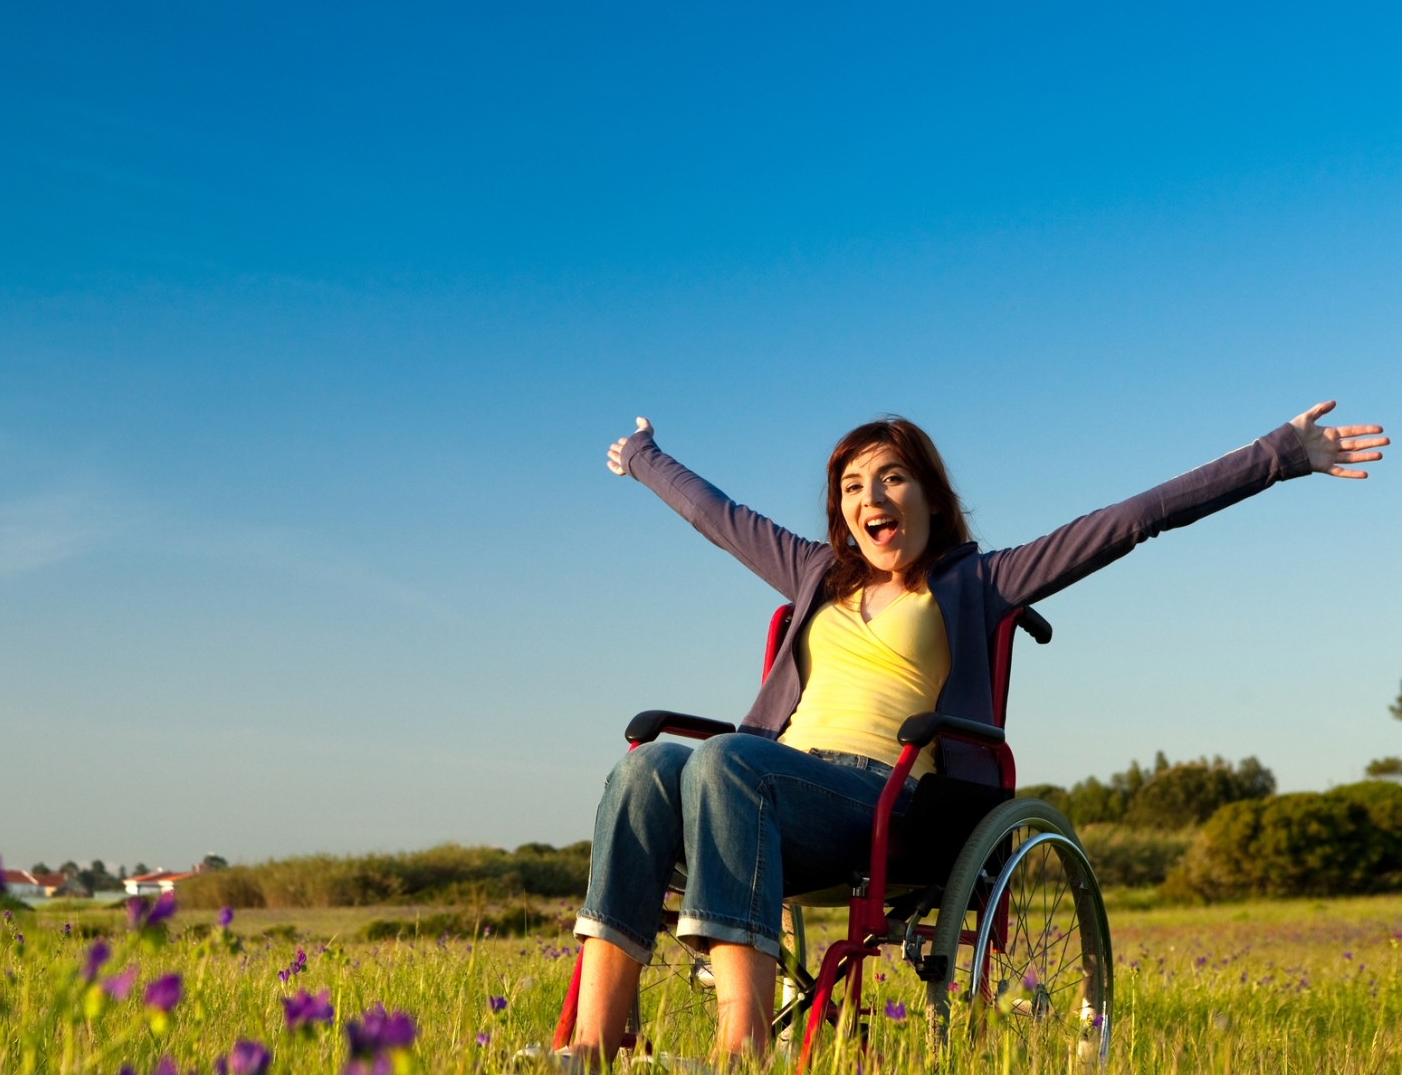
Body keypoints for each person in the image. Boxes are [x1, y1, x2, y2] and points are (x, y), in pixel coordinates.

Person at [566, 401, 1386, 1068]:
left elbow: (1133, 519)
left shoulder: (978, 581)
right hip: (759, 786)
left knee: (726, 760)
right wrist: (644, 455)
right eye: (854, 485)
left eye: (892, 479)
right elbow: (718, 516)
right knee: (646, 770)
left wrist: (1279, 454)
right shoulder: (813, 573)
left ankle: (738, 1049)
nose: (872, 498)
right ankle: (596, 1042)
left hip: (882, 799)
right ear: (841, 510)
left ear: (928, 496)